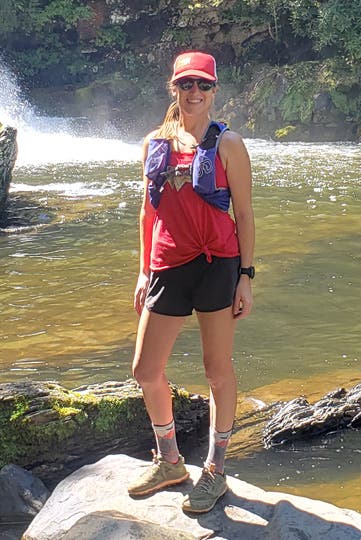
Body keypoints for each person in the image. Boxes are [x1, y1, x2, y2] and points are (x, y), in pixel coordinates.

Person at [126, 51, 255, 514]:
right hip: (167, 266)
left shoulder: (228, 145)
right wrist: (144, 269)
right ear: (173, 89)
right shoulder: (153, 144)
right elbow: (148, 212)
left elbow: (243, 215)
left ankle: (216, 470)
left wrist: (245, 276)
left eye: (203, 85)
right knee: (145, 369)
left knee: (217, 368)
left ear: (214, 90)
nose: (194, 93)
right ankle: (170, 461)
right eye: (186, 85)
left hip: (218, 265)